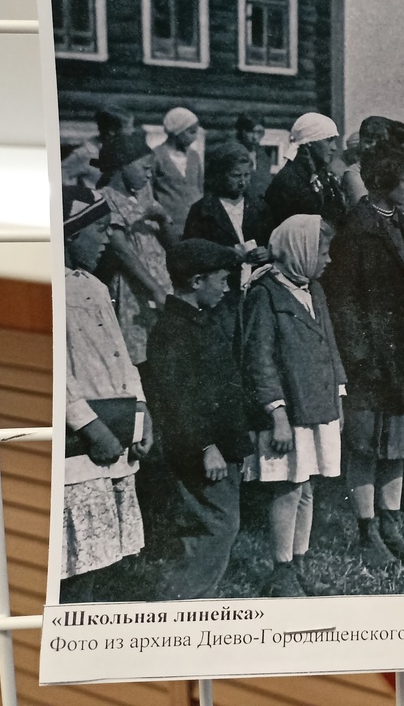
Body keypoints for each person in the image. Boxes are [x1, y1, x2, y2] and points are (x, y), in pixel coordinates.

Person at [322, 144, 404, 563]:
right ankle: (366, 528)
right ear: (381, 183)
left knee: (400, 442)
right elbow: (345, 302)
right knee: (367, 445)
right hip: (373, 358)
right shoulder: (357, 228)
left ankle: (390, 519)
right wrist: (360, 361)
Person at [242, 214, 345, 597]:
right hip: (289, 412)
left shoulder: (313, 289)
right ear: (300, 250)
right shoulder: (265, 293)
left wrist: (339, 398)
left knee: (307, 487)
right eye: (323, 251)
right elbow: (259, 359)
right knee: (287, 487)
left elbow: (329, 345)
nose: (328, 259)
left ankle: (300, 561)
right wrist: (277, 415)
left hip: (317, 406)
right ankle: (281, 567)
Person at [59, 187, 153, 603]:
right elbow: (54, 372)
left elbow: (122, 356)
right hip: (83, 440)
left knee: (102, 553)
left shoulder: (94, 286)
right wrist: (89, 426)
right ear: (68, 235)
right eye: (97, 230)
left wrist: (141, 413)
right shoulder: (48, 289)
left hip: (116, 429)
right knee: (75, 554)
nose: (104, 240)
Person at [142, 239, 249, 601]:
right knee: (216, 526)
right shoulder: (172, 331)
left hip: (220, 448)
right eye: (221, 279)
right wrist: (206, 446)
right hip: (201, 449)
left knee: (218, 525)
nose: (226, 287)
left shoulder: (201, 322)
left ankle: (195, 598)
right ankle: (181, 603)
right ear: (197, 281)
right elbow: (177, 399)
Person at [95, 131, 173, 365]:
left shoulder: (145, 199)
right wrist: (155, 289)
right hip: (133, 288)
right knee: (137, 356)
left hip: (159, 284)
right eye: (144, 169)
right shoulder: (104, 199)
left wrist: (163, 219)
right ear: (123, 166)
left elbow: (171, 243)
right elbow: (122, 251)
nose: (149, 176)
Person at [182, 140, 273, 290]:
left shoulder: (260, 207)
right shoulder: (203, 211)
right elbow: (191, 252)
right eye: (236, 176)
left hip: (258, 286)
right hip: (221, 288)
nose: (242, 182)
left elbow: (274, 243)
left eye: (247, 175)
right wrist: (224, 254)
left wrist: (267, 253)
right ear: (220, 175)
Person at [265, 113, 346, 228]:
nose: (334, 147)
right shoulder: (288, 181)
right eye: (329, 140)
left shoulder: (326, 178)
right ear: (309, 142)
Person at [151, 106, 204, 245]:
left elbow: (199, 188)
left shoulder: (194, 156)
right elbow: (149, 194)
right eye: (191, 132)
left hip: (196, 224)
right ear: (177, 132)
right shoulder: (156, 156)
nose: (194, 137)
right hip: (170, 226)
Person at [235, 114, 272, 207]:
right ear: (241, 131)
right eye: (250, 132)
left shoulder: (264, 156)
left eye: (259, 132)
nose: (255, 137)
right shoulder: (234, 153)